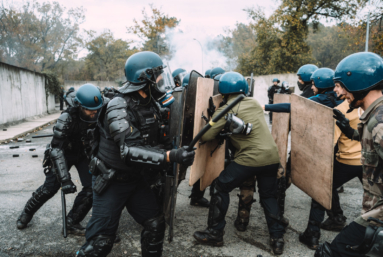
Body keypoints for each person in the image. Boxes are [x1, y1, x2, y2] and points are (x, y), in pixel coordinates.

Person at [77, 51, 196, 257]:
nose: (161, 80)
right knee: (100, 244)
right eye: (159, 75)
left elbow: (155, 141)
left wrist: (177, 149)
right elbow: (130, 151)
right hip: (111, 182)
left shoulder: (151, 104)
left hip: (136, 179)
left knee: (155, 225)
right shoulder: (118, 105)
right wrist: (170, 156)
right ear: (145, 78)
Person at [193, 72, 286, 255]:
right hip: (272, 157)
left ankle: (215, 233)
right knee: (269, 196)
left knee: (221, 186)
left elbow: (206, 136)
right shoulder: (253, 103)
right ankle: (277, 239)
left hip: (250, 158)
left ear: (224, 90)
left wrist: (215, 118)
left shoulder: (227, 108)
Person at [315, 52, 383, 257]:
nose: (337, 92)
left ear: (358, 83)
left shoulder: (379, 122)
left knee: (333, 252)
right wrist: (350, 131)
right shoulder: (373, 114)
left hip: (378, 216)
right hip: (374, 211)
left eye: (340, 85)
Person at [16, 84, 105, 236]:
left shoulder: (96, 109)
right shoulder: (67, 118)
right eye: (89, 110)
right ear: (79, 106)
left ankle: (71, 222)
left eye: (96, 109)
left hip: (83, 152)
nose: (93, 113)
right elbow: (56, 149)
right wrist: (65, 179)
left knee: (92, 187)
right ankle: (27, 212)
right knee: (50, 188)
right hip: (62, 152)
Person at [297, 68, 363, 250]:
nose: (335, 90)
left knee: (320, 193)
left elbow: (330, 143)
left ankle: (312, 234)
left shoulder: (340, 110)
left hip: (347, 161)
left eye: (338, 86)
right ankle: (337, 218)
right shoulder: (370, 108)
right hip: (368, 163)